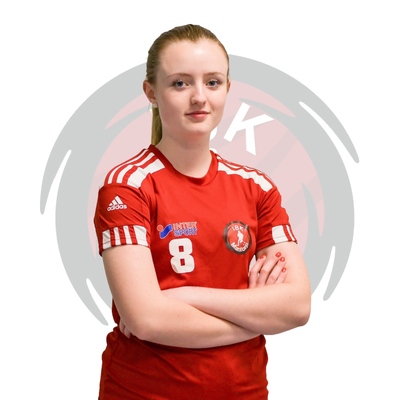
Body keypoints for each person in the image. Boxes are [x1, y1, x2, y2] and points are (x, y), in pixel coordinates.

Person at [93, 23, 311, 400]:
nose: (199, 97)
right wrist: (255, 319)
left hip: (245, 392)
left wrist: (184, 295)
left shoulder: (256, 187)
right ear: (151, 92)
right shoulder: (127, 186)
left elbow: (297, 306)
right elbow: (147, 320)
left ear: (227, 88)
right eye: (180, 83)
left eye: (212, 82)